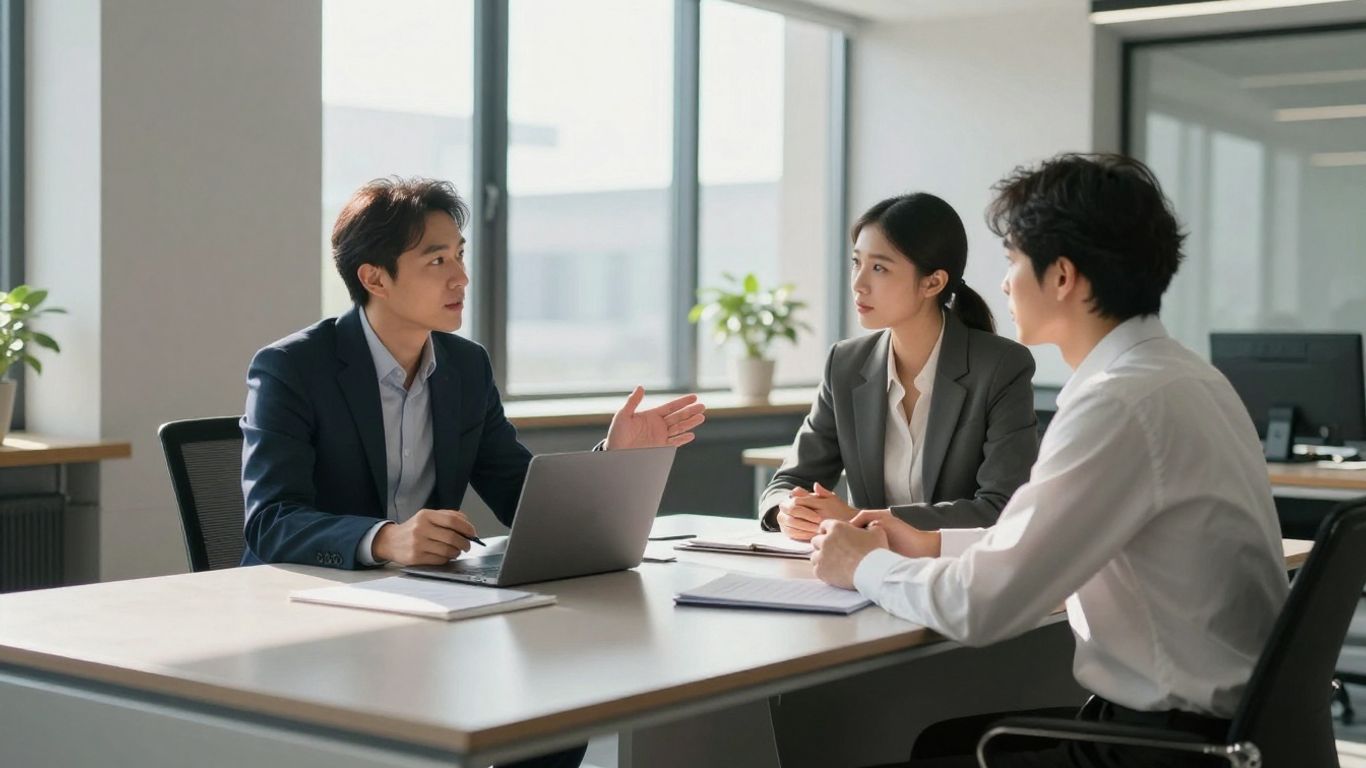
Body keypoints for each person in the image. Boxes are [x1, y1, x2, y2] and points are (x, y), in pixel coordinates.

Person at [810, 154, 1288, 767]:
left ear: (1062, 277)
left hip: (1167, 746)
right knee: (938, 743)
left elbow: (979, 608)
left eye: (1012, 261)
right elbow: (1050, 541)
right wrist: (928, 545)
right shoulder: (1182, 376)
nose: (1004, 283)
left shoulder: (1118, 404)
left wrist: (864, 565)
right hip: (1224, 729)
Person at [240, 177, 705, 768]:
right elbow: (272, 520)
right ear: (374, 278)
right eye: (437, 260)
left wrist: (610, 459)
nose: (460, 276)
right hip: (309, 616)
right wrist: (386, 539)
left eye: (460, 254)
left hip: (424, 611)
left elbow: (521, 495)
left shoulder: (464, 365)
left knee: (556, 709)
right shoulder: (292, 367)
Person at [761, 193, 1037, 541]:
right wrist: (787, 510)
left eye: (879, 268)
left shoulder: (1000, 367)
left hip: (956, 575)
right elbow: (788, 482)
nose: (859, 284)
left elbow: (1001, 508)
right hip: (860, 574)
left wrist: (859, 518)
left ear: (933, 282)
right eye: (856, 262)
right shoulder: (845, 364)